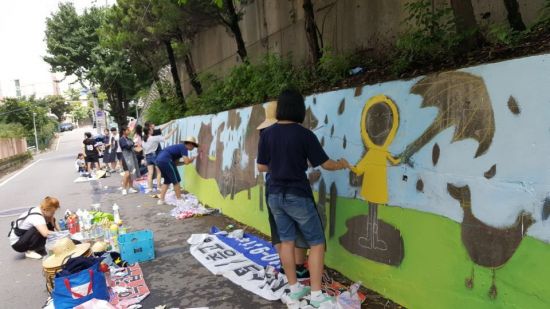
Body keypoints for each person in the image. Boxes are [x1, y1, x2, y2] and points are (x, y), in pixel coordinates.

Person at [257, 89, 349, 307]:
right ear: (300, 108)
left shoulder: (267, 134)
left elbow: (261, 166)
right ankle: (317, 295)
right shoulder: (305, 134)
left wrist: (281, 164)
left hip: (275, 196)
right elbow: (326, 164)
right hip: (297, 195)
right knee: (316, 243)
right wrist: (342, 164)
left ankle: (295, 288)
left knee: (286, 242)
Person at [256, 101, 310, 279]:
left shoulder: (266, 134)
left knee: (280, 229)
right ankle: (299, 267)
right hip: (294, 186)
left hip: (273, 187)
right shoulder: (295, 133)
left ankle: (287, 266)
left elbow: (262, 166)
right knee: (299, 227)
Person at [155, 137, 198, 205]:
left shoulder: (178, 148)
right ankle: (179, 199)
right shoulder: (184, 147)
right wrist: (191, 159)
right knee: (177, 180)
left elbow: (176, 164)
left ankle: (161, 200)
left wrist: (186, 162)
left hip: (159, 160)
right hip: (166, 160)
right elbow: (187, 161)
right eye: (194, 146)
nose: (193, 148)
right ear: (190, 144)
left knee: (167, 181)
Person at [143, 125, 177, 194]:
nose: (153, 130)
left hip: (147, 156)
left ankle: (150, 188)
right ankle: (158, 187)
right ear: (149, 131)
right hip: (154, 155)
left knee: (150, 173)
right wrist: (173, 131)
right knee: (159, 172)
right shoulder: (153, 138)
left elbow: (144, 150)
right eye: (151, 129)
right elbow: (166, 137)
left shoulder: (144, 140)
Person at [119, 126, 141, 195]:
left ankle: (131, 187)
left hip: (131, 157)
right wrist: (133, 143)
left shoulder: (129, 138)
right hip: (125, 158)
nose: (129, 131)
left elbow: (133, 146)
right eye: (128, 130)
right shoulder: (121, 139)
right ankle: (124, 188)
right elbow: (126, 146)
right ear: (124, 131)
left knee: (131, 173)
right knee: (127, 173)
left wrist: (136, 145)